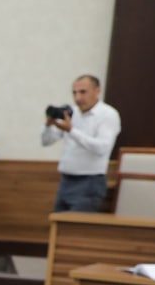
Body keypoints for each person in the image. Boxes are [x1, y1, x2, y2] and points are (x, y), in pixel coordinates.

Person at [41, 74, 122, 211]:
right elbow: (46, 141)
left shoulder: (108, 115)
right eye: (74, 93)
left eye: (83, 92)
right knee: (58, 222)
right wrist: (48, 125)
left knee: (75, 224)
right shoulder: (72, 113)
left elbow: (102, 147)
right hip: (66, 180)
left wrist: (71, 131)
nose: (77, 98)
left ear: (97, 91)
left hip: (90, 182)